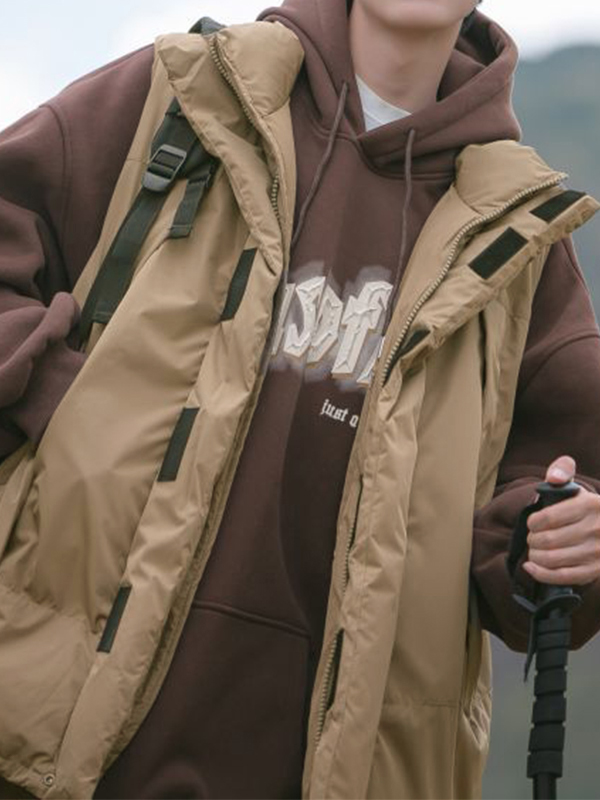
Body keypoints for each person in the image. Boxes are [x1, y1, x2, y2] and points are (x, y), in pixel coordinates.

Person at [0, 0, 599, 798]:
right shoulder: (191, 93)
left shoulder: (520, 233)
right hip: (56, 744)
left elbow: (561, 488)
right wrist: (64, 407)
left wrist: (554, 537)